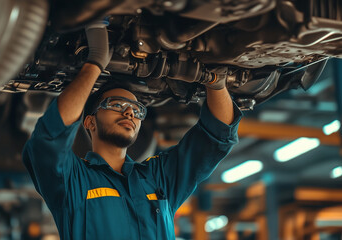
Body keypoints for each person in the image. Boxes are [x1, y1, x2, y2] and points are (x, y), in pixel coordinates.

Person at [22, 21, 242, 240]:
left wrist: (215, 80)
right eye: (116, 105)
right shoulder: (74, 180)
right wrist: (95, 62)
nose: (129, 114)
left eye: (136, 110)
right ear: (89, 122)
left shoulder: (158, 179)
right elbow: (48, 140)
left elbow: (217, 136)